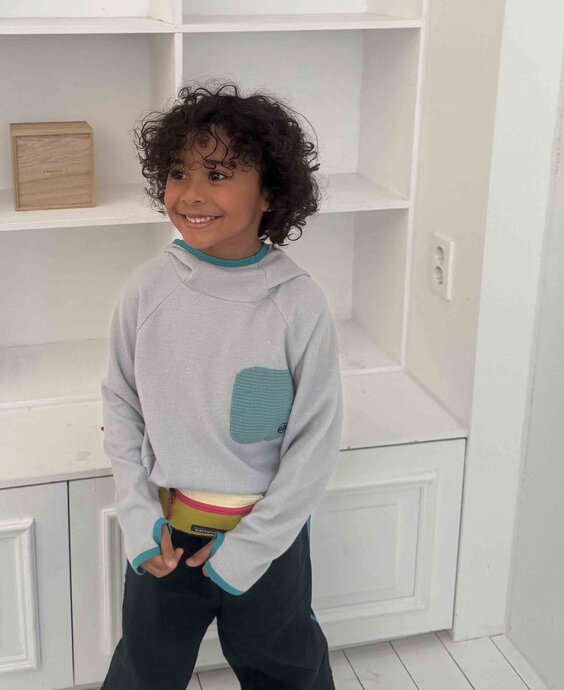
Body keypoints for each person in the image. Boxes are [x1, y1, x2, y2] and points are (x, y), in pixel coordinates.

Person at [100, 81, 344, 690]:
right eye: (178, 173)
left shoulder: (296, 303)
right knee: (143, 672)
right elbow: (121, 405)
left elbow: (314, 441)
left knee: (288, 672)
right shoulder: (147, 291)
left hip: (266, 540)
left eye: (218, 174)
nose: (190, 194)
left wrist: (253, 547)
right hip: (164, 536)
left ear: (270, 192)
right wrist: (137, 517)